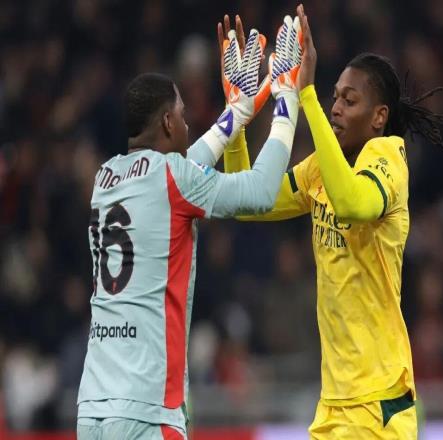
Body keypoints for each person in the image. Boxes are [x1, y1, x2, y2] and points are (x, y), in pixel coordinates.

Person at [223, 4, 443, 439]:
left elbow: (351, 203)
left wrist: (307, 95)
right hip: (334, 404)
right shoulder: (322, 168)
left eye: (350, 100)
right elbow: (246, 202)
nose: (336, 108)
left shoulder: (388, 158)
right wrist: (237, 119)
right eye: (335, 98)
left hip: (379, 401)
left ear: (379, 116)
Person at [76, 17, 302, 440]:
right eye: (182, 115)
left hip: (93, 407)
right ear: (167, 123)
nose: (187, 123)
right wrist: (287, 99)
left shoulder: (106, 177)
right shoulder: (174, 179)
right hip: (147, 410)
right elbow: (260, 191)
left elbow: (182, 170)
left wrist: (236, 114)